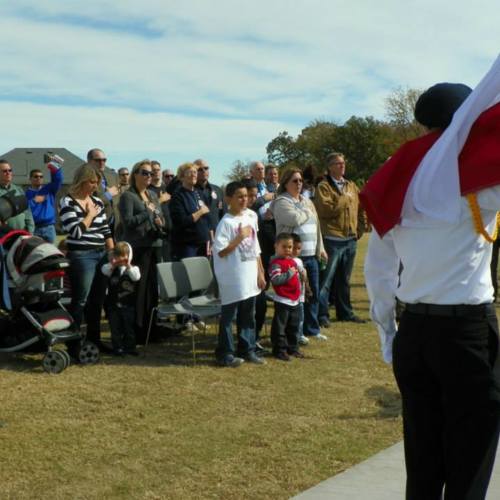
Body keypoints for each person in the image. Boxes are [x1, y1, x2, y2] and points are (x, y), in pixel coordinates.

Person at [362, 59, 500, 500]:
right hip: (466, 333)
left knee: (421, 457)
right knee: (470, 458)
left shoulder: (396, 182)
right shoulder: (481, 185)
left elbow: (378, 268)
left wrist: (387, 330)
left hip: (414, 332)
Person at [59, 164, 114, 345]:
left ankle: (94, 340)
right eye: (91, 182)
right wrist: (89, 215)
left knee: (98, 301)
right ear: (82, 181)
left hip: (101, 254)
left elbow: (106, 230)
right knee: (80, 301)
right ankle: (74, 343)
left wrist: (112, 252)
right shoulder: (67, 202)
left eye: (96, 183)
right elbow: (75, 232)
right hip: (82, 256)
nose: (95, 186)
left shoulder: (98, 202)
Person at [213, 181, 266, 367]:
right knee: (228, 317)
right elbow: (220, 251)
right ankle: (225, 354)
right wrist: (238, 238)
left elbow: (256, 249)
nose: (244, 200)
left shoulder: (250, 217)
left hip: (249, 275)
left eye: (246, 196)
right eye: (239, 196)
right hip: (232, 277)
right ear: (229, 199)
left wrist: (260, 272)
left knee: (247, 316)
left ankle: (247, 349)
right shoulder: (225, 223)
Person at [271, 168, 327, 341]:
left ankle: (312, 328)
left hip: (311, 254)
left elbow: (316, 226)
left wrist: (321, 248)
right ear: (286, 183)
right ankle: (297, 332)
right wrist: (306, 211)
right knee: (297, 296)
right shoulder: (281, 202)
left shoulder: (306, 201)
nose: (299, 184)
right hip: (293, 258)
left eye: (301, 181)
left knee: (313, 293)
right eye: (294, 181)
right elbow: (294, 219)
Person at [314, 152, 366, 326]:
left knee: (344, 279)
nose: (342, 166)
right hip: (333, 239)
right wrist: (344, 199)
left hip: (350, 239)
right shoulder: (323, 187)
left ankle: (345, 312)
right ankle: (322, 315)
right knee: (326, 279)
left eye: (343, 163)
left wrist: (360, 228)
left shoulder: (351, 185)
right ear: (329, 167)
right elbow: (325, 211)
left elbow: (360, 208)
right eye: (337, 163)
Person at [119, 159, 165, 343]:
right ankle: (137, 331)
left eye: (151, 174)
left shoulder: (152, 194)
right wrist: (146, 213)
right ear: (135, 175)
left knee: (153, 291)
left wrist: (161, 221)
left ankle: (150, 329)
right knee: (139, 291)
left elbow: (160, 215)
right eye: (145, 173)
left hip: (154, 245)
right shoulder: (128, 196)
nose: (149, 176)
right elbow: (128, 222)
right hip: (138, 248)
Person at [268, 233, 304, 361]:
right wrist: (289, 274)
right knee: (280, 328)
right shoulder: (276, 263)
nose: (288, 250)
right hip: (283, 300)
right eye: (284, 247)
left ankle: (292, 348)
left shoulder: (292, 261)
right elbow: (276, 280)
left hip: (294, 300)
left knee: (293, 327)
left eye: (290, 247)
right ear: (276, 247)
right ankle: (279, 350)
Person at [101, 242, 141, 356]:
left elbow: (136, 277)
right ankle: (117, 348)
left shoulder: (133, 269)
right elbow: (104, 270)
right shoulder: (111, 268)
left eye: (122, 256)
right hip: (113, 305)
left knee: (129, 327)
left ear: (129, 256)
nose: (120, 259)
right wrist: (113, 264)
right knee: (115, 328)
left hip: (128, 304)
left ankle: (130, 347)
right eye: (117, 256)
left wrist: (128, 265)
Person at [169, 163, 212, 259]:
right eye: (190, 172)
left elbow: (208, 220)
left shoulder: (200, 193)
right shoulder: (178, 196)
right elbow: (181, 222)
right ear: (182, 177)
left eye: (195, 172)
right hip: (187, 246)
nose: (194, 174)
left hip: (203, 243)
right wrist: (200, 212)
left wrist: (210, 239)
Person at [26, 155, 64, 243]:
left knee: (52, 254)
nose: (39, 178)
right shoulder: (26, 194)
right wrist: (34, 201)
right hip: (34, 228)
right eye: (36, 176)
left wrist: (53, 165)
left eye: (41, 176)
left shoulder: (49, 189)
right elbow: (24, 210)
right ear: (30, 179)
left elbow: (58, 180)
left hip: (49, 228)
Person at [86, 148, 119, 229]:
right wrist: (108, 195)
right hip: (97, 225)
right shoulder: (85, 179)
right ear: (89, 161)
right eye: (98, 160)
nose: (102, 163)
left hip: (116, 225)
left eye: (104, 160)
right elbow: (88, 202)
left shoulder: (112, 177)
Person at [0, 159, 35, 233]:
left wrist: (30, 230)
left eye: (10, 170)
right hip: (4, 236)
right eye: (4, 171)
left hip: (22, 233)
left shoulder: (18, 189)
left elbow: (27, 211)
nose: (8, 173)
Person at [291, 234, 312, 346]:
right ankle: (293, 335)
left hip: (300, 294)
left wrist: (307, 286)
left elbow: (304, 277)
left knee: (300, 316)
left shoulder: (299, 261)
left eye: (298, 249)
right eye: (293, 248)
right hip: (291, 296)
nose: (296, 251)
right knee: (293, 317)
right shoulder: (288, 260)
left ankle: (300, 334)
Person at [194, 158, 224, 232]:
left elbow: (224, 214)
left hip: (217, 234)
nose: (204, 171)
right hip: (198, 236)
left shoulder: (218, 190)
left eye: (206, 168)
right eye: (200, 169)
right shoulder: (190, 191)